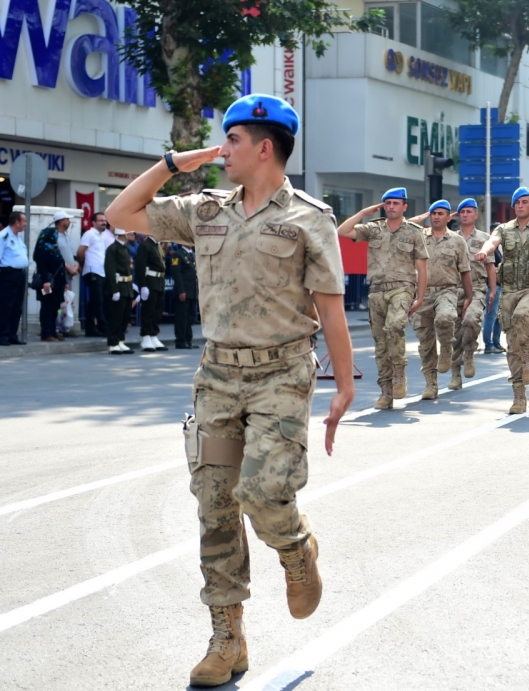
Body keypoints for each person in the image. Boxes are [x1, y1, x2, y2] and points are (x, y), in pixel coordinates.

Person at [106, 93, 354, 688]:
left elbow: (331, 306)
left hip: (282, 374)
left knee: (264, 493)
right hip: (217, 377)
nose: (222, 152)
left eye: (233, 141)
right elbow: (121, 213)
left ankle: (296, 550)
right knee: (215, 504)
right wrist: (173, 163)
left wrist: (343, 387)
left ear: (264, 147)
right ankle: (227, 638)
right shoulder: (205, 209)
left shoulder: (308, 218)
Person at [337, 188, 428, 408]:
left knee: (395, 326)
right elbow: (342, 231)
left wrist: (420, 297)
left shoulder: (414, 232)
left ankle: (399, 370)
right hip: (377, 291)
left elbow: (422, 268)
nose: (391, 207)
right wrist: (363, 213)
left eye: (396, 203)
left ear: (404, 207)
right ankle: (386, 392)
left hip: (403, 288)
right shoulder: (373, 229)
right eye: (387, 203)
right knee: (380, 344)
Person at [475, 187, 529, 413]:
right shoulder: (504, 228)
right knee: (512, 347)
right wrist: (483, 251)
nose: (520, 205)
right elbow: (493, 242)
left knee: (523, 316)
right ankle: (519, 397)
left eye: (524, 202)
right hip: (509, 291)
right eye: (517, 202)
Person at [409, 200, 472, 399]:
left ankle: (446, 346)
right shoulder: (419, 236)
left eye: (440, 213)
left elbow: (465, 271)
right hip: (422, 293)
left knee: (445, 317)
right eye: (433, 213)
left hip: (447, 290)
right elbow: (403, 226)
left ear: (448, 217)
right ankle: (430, 385)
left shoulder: (457, 241)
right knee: (425, 342)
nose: (436, 216)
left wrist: (469, 297)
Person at [449, 198, 495, 389]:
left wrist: (493, 290)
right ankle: (455, 375)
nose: (466, 215)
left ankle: (469, 351)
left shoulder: (484, 238)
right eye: (463, 212)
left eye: (469, 211)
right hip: (454, 288)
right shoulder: (451, 237)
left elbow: (490, 266)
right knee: (454, 331)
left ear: (476, 214)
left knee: (470, 320)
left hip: (477, 288)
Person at [0, 211, 29, 346]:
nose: (25, 224)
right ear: (17, 222)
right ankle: (2, 335)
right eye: (24, 221)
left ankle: (12, 334)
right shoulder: (3, 236)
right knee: (5, 305)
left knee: (17, 306)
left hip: (20, 273)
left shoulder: (19, 236)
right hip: (8, 273)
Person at [32, 211, 69, 341]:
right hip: (48, 282)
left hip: (57, 282)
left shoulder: (54, 248)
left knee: (55, 307)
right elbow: (42, 265)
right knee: (47, 307)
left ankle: (53, 332)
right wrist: (46, 281)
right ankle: (46, 333)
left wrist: (64, 282)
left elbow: (61, 265)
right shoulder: (43, 249)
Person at [104, 229, 137, 354]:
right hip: (118, 286)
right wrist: (114, 290)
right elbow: (110, 270)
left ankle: (120, 340)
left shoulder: (125, 248)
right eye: (129, 232)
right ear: (123, 234)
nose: (131, 235)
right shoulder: (113, 248)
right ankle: (113, 343)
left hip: (127, 286)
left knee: (124, 316)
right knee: (116, 317)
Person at [135, 234, 169, 351]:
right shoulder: (146, 246)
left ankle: (153, 335)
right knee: (148, 310)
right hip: (150, 281)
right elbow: (140, 267)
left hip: (159, 282)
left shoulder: (157, 246)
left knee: (157, 310)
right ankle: (145, 336)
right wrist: (143, 286)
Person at [78, 212, 109, 337]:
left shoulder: (102, 235)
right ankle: (103, 327)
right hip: (92, 271)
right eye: (101, 220)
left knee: (94, 301)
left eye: (105, 220)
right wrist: (83, 265)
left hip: (101, 271)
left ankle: (90, 328)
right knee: (98, 301)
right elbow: (80, 252)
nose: (104, 222)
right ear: (93, 222)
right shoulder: (89, 234)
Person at [168, 243, 199, 349]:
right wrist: (181, 290)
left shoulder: (193, 254)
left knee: (190, 317)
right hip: (183, 290)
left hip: (192, 290)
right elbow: (177, 274)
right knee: (181, 317)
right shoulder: (178, 254)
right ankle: (180, 340)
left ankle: (188, 339)